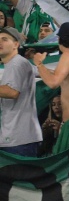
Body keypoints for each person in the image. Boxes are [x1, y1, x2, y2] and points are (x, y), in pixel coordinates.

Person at [0, 27, 42, 157]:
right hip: (19, 137)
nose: (0, 42)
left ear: (16, 44)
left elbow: (12, 92)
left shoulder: (16, 63)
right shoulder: (16, 63)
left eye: (4, 39)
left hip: (19, 140)